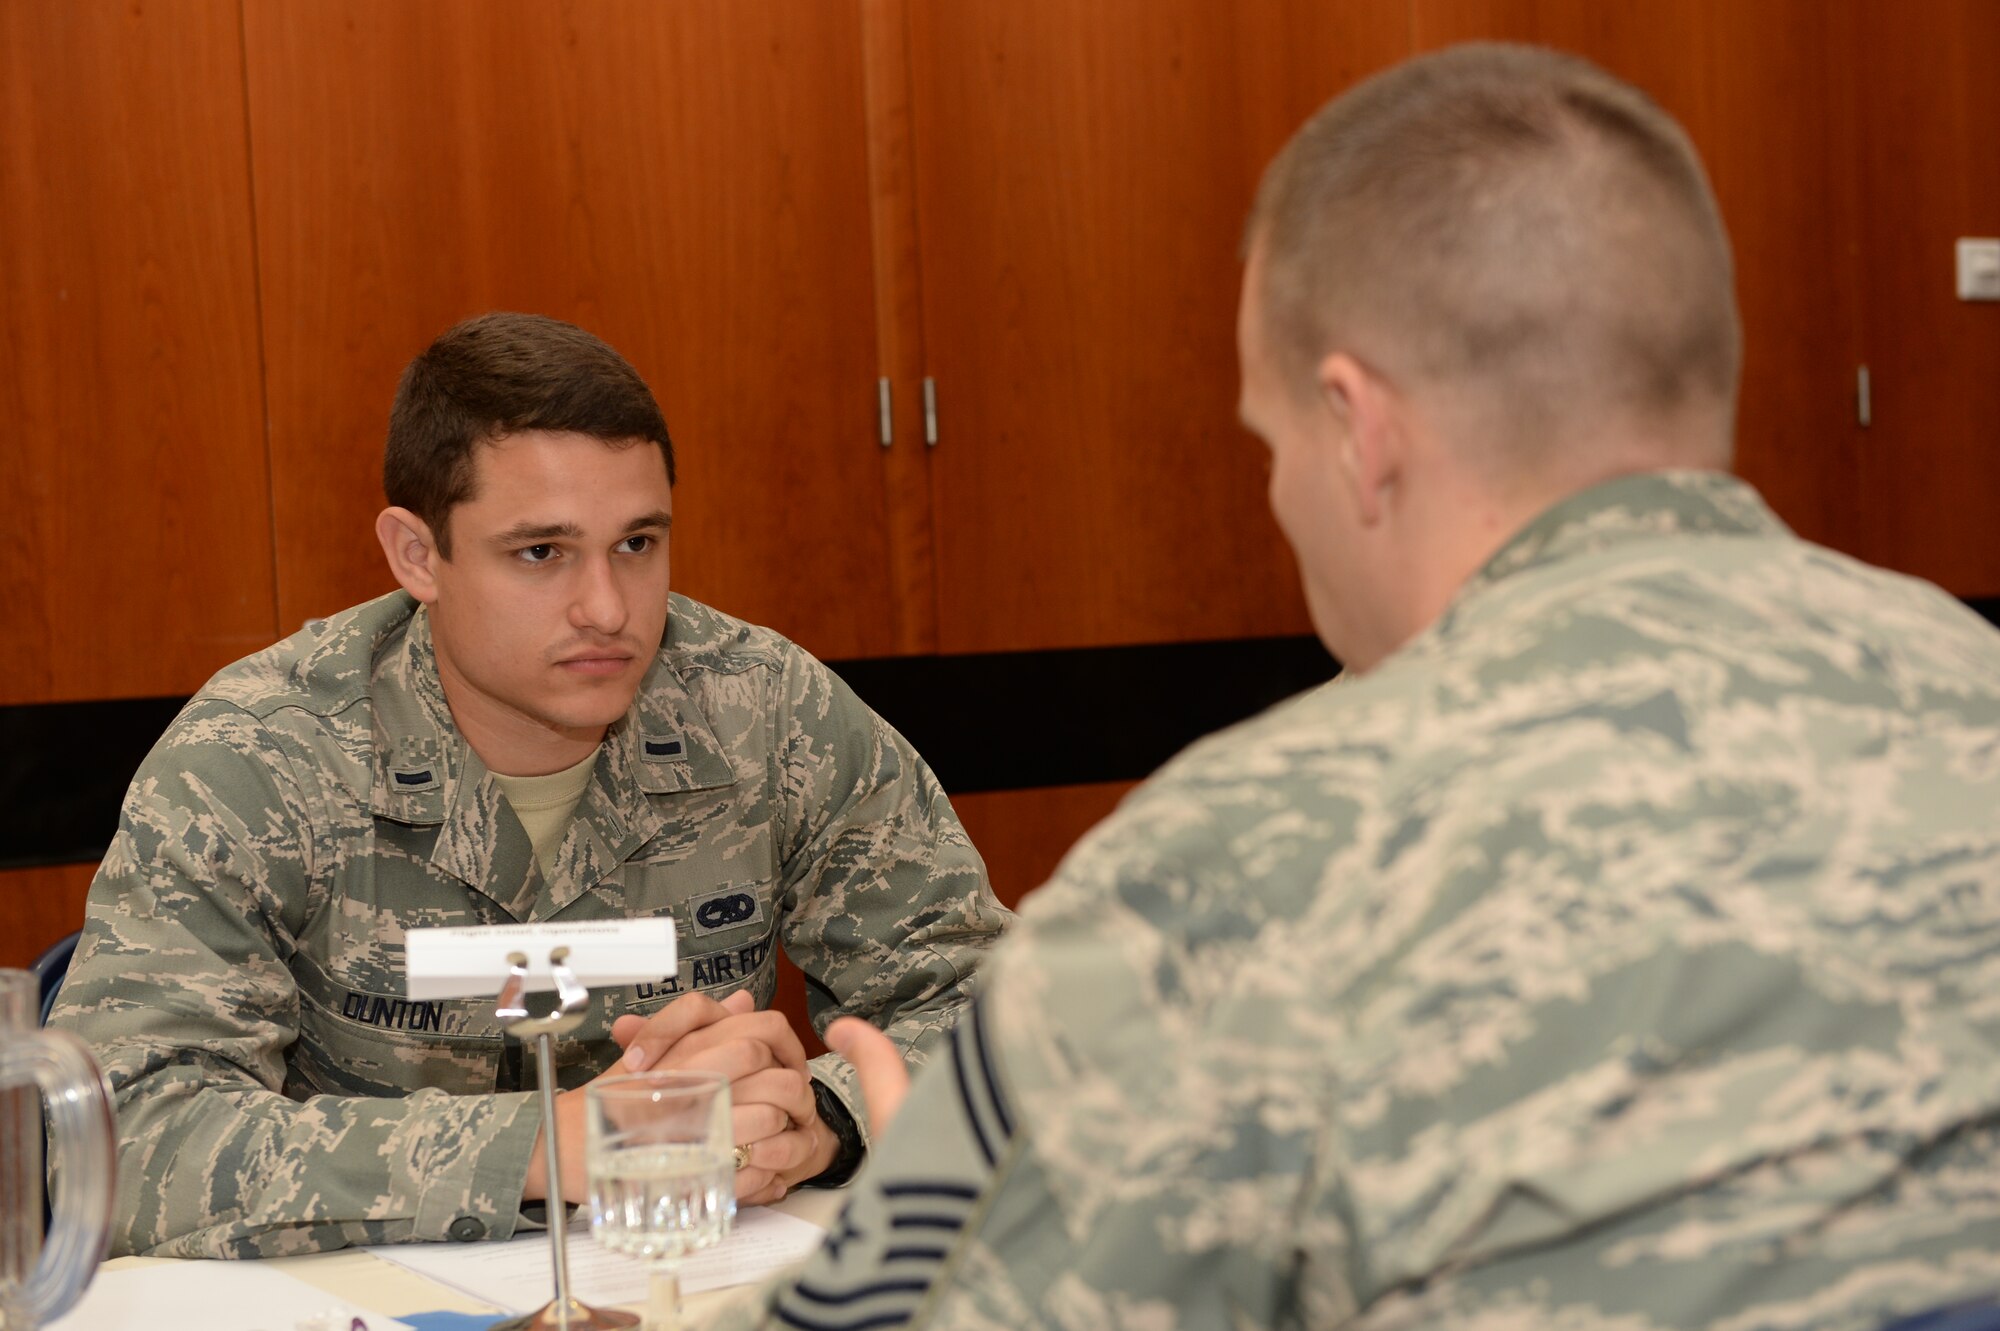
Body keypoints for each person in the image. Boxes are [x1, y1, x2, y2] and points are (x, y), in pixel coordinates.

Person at [737, 42, 2000, 1330]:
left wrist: (946, 1226)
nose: (1281, 491)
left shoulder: (1242, 858)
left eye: (1268, 437)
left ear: (1356, 428)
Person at [48, 312, 1011, 1258]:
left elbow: (1009, 1014)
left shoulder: (768, 714)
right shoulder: (259, 757)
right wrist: (554, 1147)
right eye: (541, 553)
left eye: (638, 543)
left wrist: (826, 1115)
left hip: (695, 1278)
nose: (607, 607)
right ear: (417, 554)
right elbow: (112, 1136)